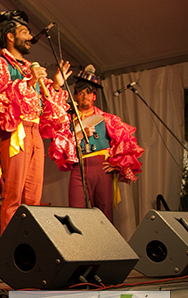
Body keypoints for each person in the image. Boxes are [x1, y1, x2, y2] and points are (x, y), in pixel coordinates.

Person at [0, 10, 71, 232]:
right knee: (14, 194)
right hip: (15, 131)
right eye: (24, 32)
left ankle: (30, 245)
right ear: (10, 36)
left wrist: (56, 86)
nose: (29, 37)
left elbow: (48, 107)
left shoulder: (28, 66)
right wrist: (28, 82)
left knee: (34, 195)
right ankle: (10, 251)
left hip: (34, 130)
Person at [49, 65, 143, 220]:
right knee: (76, 214)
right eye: (81, 92)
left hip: (101, 168)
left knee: (103, 214)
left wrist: (116, 163)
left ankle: (104, 244)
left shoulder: (109, 119)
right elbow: (57, 147)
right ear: (76, 95)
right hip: (79, 169)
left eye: (89, 92)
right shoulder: (67, 120)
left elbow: (128, 144)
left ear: (94, 96)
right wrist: (78, 135)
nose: (84, 95)